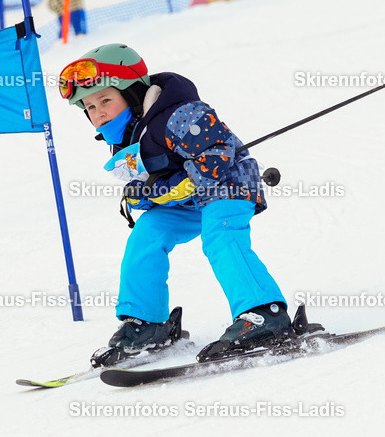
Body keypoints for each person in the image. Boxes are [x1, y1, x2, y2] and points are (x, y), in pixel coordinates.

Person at [58, 44, 309, 365]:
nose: (99, 112)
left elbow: (216, 150)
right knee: (146, 236)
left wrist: (176, 185)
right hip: (186, 201)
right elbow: (151, 183)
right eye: (90, 107)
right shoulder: (125, 140)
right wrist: (146, 193)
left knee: (220, 236)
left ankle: (264, 312)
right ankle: (147, 322)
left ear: (134, 94)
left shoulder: (179, 113)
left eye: (106, 99)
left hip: (227, 184)